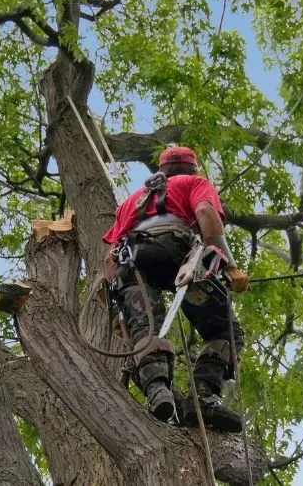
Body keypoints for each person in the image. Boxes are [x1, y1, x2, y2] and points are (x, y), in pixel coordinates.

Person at [102, 146, 248, 432]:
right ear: (191, 169)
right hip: (177, 253)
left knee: (145, 328)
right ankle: (203, 397)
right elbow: (205, 212)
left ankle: (158, 391)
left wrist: (115, 311)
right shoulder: (195, 183)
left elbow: (109, 258)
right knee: (226, 331)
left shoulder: (131, 202)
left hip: (131, 263)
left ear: (163, 169)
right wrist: (229, 266)